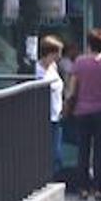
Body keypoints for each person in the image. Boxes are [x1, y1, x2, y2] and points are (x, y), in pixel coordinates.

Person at [64, 28, 101, 201]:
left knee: (83, 150)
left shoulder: (79, 63)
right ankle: (98, 189)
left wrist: (67, 105)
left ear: (88, 44)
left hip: (82, 111)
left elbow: (72, 90)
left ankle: (82, 188)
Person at [36, 36, 64, 180]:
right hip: (44, 116)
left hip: (56, 115)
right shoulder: (37, 70)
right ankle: (47, 179)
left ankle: (53, 177)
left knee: (56, 152)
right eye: (57, 53)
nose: (59, 56)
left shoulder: (53, 67)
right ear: (50, 53)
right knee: (50, 151)